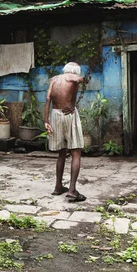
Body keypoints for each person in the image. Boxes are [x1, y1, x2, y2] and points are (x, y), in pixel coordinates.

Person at [44, 62, 87, 202]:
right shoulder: (71, 78)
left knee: (61, 152)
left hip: (55, 114)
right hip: (68, 115)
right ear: (75, 72)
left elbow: (48, 98)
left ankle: (58, 187)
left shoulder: (54, 79)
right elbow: (82, 79)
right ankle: (72, 190)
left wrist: (46, 120)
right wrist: (81, 79)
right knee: (76, 152)